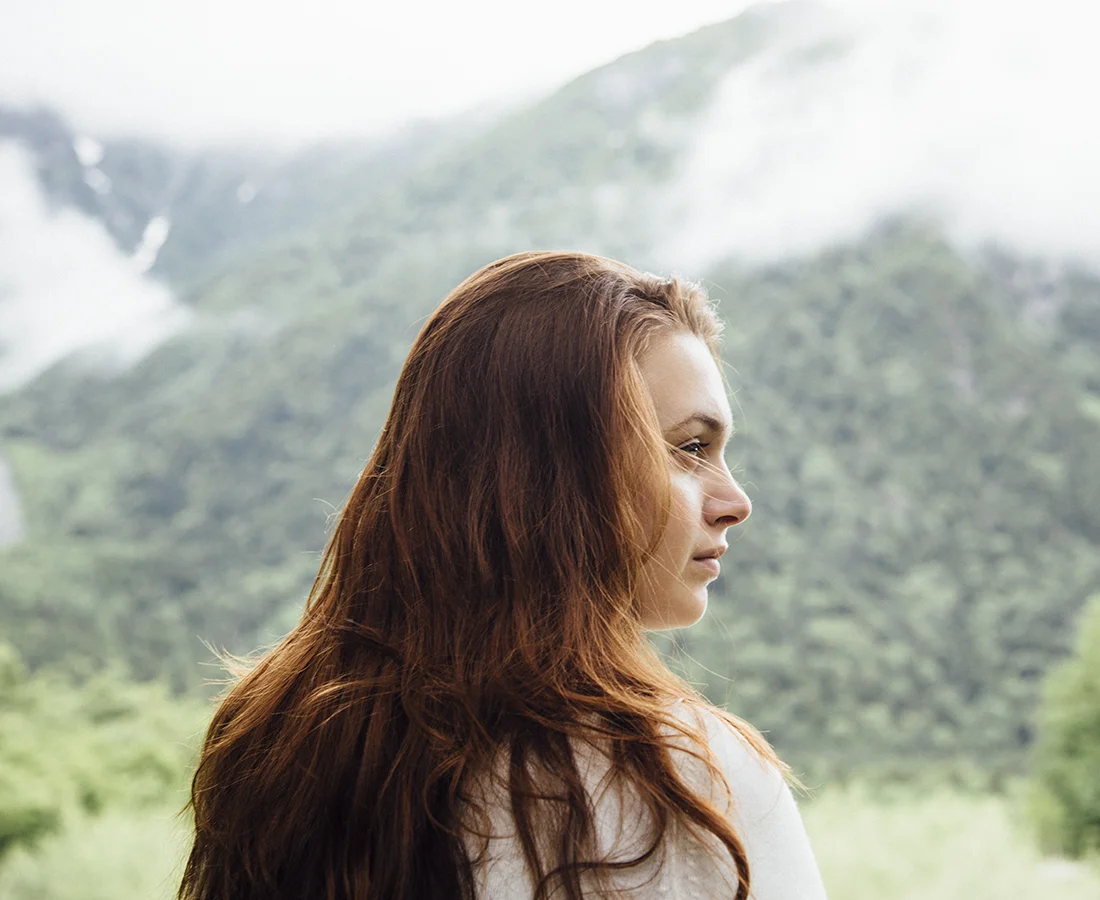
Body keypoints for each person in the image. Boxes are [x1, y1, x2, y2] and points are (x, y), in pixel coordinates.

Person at [178, 251, 828, 900]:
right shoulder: (698, 784)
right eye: (690, 448)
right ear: (559, 473)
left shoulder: (277, 751)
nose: (736, 502)